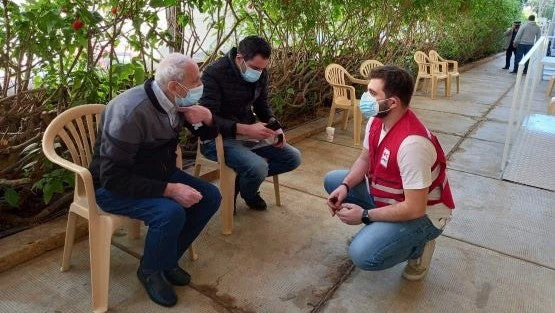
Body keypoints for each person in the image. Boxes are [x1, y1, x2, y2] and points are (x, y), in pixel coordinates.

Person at [89, 53, 222, 307]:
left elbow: (206, 134)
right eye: (196, 82)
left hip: (156, 173)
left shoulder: (174, 101)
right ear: (175, 85)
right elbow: (112, 178)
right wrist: (169, 190)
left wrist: (206, 117)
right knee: (171, 213)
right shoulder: (130, 112)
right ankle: (150, 270)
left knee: (210, 197)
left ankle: (166, 259)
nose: (199, 87)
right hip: (112, 187)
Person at [324, 65, 455, 281]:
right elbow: (365, 159)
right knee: (334, 180)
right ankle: (383, 228)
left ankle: (419, 247)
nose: (366, 98)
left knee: (363, 254)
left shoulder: (412, 145)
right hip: (395, 198)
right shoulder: (377, 121)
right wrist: (345, 186)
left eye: (373, 94)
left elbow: (415, 207)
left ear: (392, 102)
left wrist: (364, 216)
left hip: (424, 215)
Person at [199, 36, 301, 210]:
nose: (259, 73)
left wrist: (275, 126)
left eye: (263, 69)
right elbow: (207, 117)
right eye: (255, 68)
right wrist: (244, 129)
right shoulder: (214, 74)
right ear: (240, 58)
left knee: (293, 157)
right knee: (258, 167)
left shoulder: (260, 72)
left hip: (250, 134)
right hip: (218, 138)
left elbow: (262, 106)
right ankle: (251, 193)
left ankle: (243, 184)